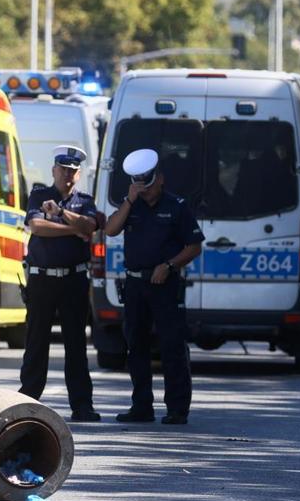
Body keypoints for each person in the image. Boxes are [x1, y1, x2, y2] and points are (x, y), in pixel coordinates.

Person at [104, 148, 204, 425]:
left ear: (160, 179)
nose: (144, 191)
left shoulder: (177, 206)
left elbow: (194, 246)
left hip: (164, 284)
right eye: (139, 186)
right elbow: (110, 230)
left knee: (172, 346)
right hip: (135, 285)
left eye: (147, 185)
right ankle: (141, 406)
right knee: (136, 346)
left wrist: (170, 265)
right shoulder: (131, 205)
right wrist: (128, 200)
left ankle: (177, 408)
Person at [18, 145, 100, 421]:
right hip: (42, 279)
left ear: (78, 175)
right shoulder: (39, 195)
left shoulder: (85, 201)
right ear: (53, 170)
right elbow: (38, 227)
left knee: (76, 344)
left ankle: (82, 404)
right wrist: (72, 230)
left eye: (72, 171)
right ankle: (28, 399)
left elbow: (90, 227)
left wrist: (64, 215)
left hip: (74, 280)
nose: (67, 175)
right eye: (63, 170)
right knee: (36, 341)